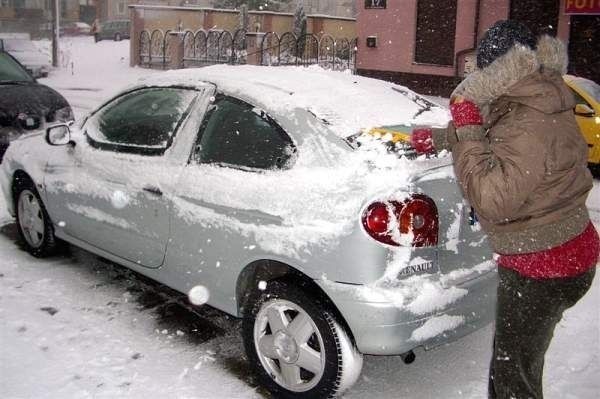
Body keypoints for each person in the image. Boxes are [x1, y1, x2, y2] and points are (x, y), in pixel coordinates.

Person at [415, 20, 599, 398]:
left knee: (514, 376)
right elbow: (501, 131)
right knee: (515, 362)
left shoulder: (529, 118)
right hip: (567, 248)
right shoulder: (540, 94)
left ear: (501, 68)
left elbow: (491, 199)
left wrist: (464, 131)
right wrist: (440, 138)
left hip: (544, 266)